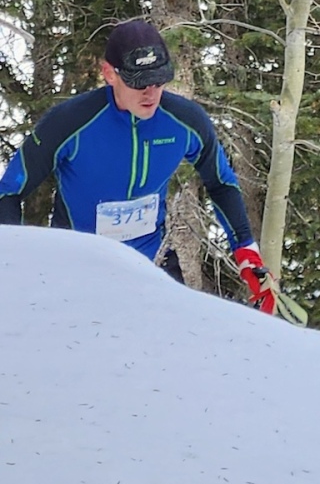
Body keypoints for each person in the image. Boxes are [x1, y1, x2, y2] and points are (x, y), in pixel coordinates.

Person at [0, 19, 277, 314]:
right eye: (139, 82)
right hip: (75, 269)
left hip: (151, 266)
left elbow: (220, 183)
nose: (151, 93)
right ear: (110, 73)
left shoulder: (185, 121)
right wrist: (13, 262)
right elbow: (9, 191)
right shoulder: (70, 122)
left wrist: (247, 251)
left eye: (159, 81)